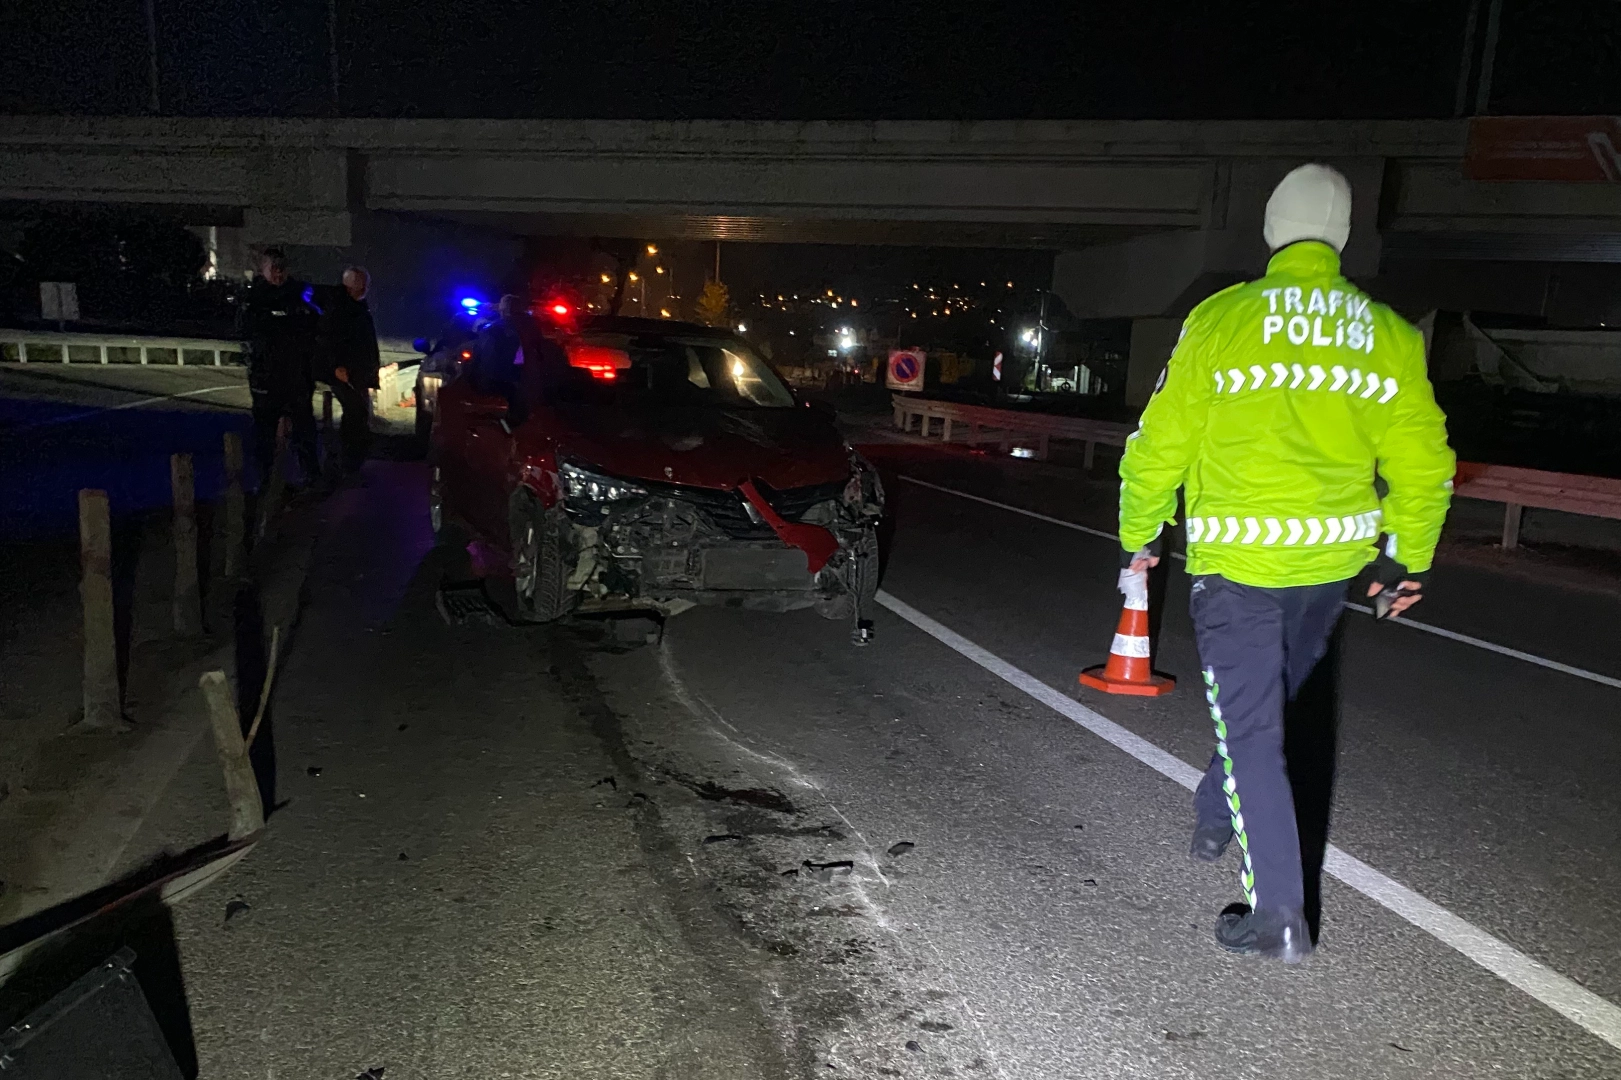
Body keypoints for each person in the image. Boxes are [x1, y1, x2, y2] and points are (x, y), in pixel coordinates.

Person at [1116, 164, 1455, 963]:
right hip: (1327, 567)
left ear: (1272, 229)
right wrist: (1404, 561)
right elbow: (1424, 463)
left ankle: (1277, 916)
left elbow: (1159, 440)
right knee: (1262, 711)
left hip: (1238, 564)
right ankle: (1213, 814)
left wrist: (1140, 529)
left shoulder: (1221, 319)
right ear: (1341, 237)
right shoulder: (1389, 334)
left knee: (1251, 728)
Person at [240, 248, 321, 488]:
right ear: (263, 269)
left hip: (297, 376)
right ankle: (264, 481)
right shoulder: (254, 298)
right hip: (266, 378)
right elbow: (244, 332)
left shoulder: (299, 294)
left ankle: (311, 477)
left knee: (304, 430)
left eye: (281, 268)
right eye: (272, 268)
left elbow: (316, 326)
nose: (278, 274)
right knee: (264, 434)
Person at [315, 266, 381, 473]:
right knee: (355, 413)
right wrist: (336, 366)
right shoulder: (340, 308)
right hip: (346, 372)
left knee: (358, 413)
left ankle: (352, 461)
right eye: (362, 285)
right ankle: (348, 462)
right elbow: (328, 339)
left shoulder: (355, 305)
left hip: (356, 371)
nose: (365, 289)